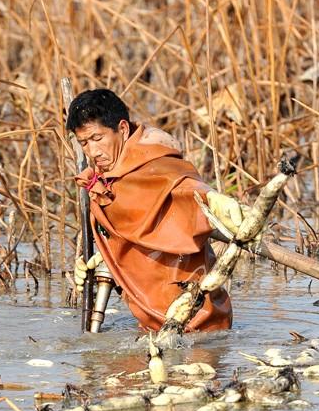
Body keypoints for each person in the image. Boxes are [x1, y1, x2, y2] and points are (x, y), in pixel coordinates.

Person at [67, 88, 246, 333]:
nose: (92, 151)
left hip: (199, 324)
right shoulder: (109, 178)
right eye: (83, 143)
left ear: (122, 129)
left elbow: (181, 187)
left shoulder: (156, 164)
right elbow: (134, 222)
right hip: (151, 323)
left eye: (98, 139)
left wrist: (211, 199)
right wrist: (106, 257)